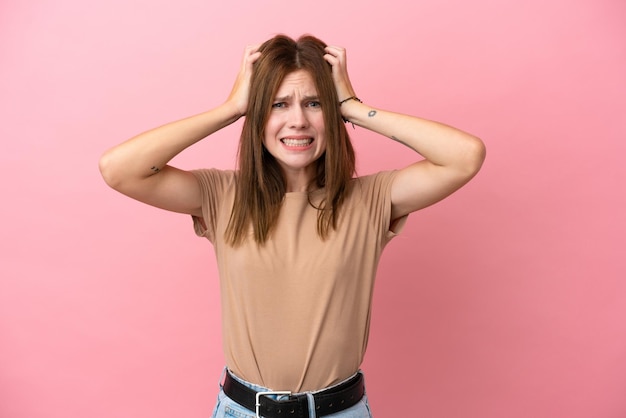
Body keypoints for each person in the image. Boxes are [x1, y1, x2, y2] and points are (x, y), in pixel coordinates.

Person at [99, 34, 485, 418]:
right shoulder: (221, 195)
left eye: (314, 103)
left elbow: (464, 156)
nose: (297, 121)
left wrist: (350, 106)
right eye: (278, 104)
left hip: (342, 411)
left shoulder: (371, 198)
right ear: (257, 115)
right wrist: (230, 108)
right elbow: (119, 169)